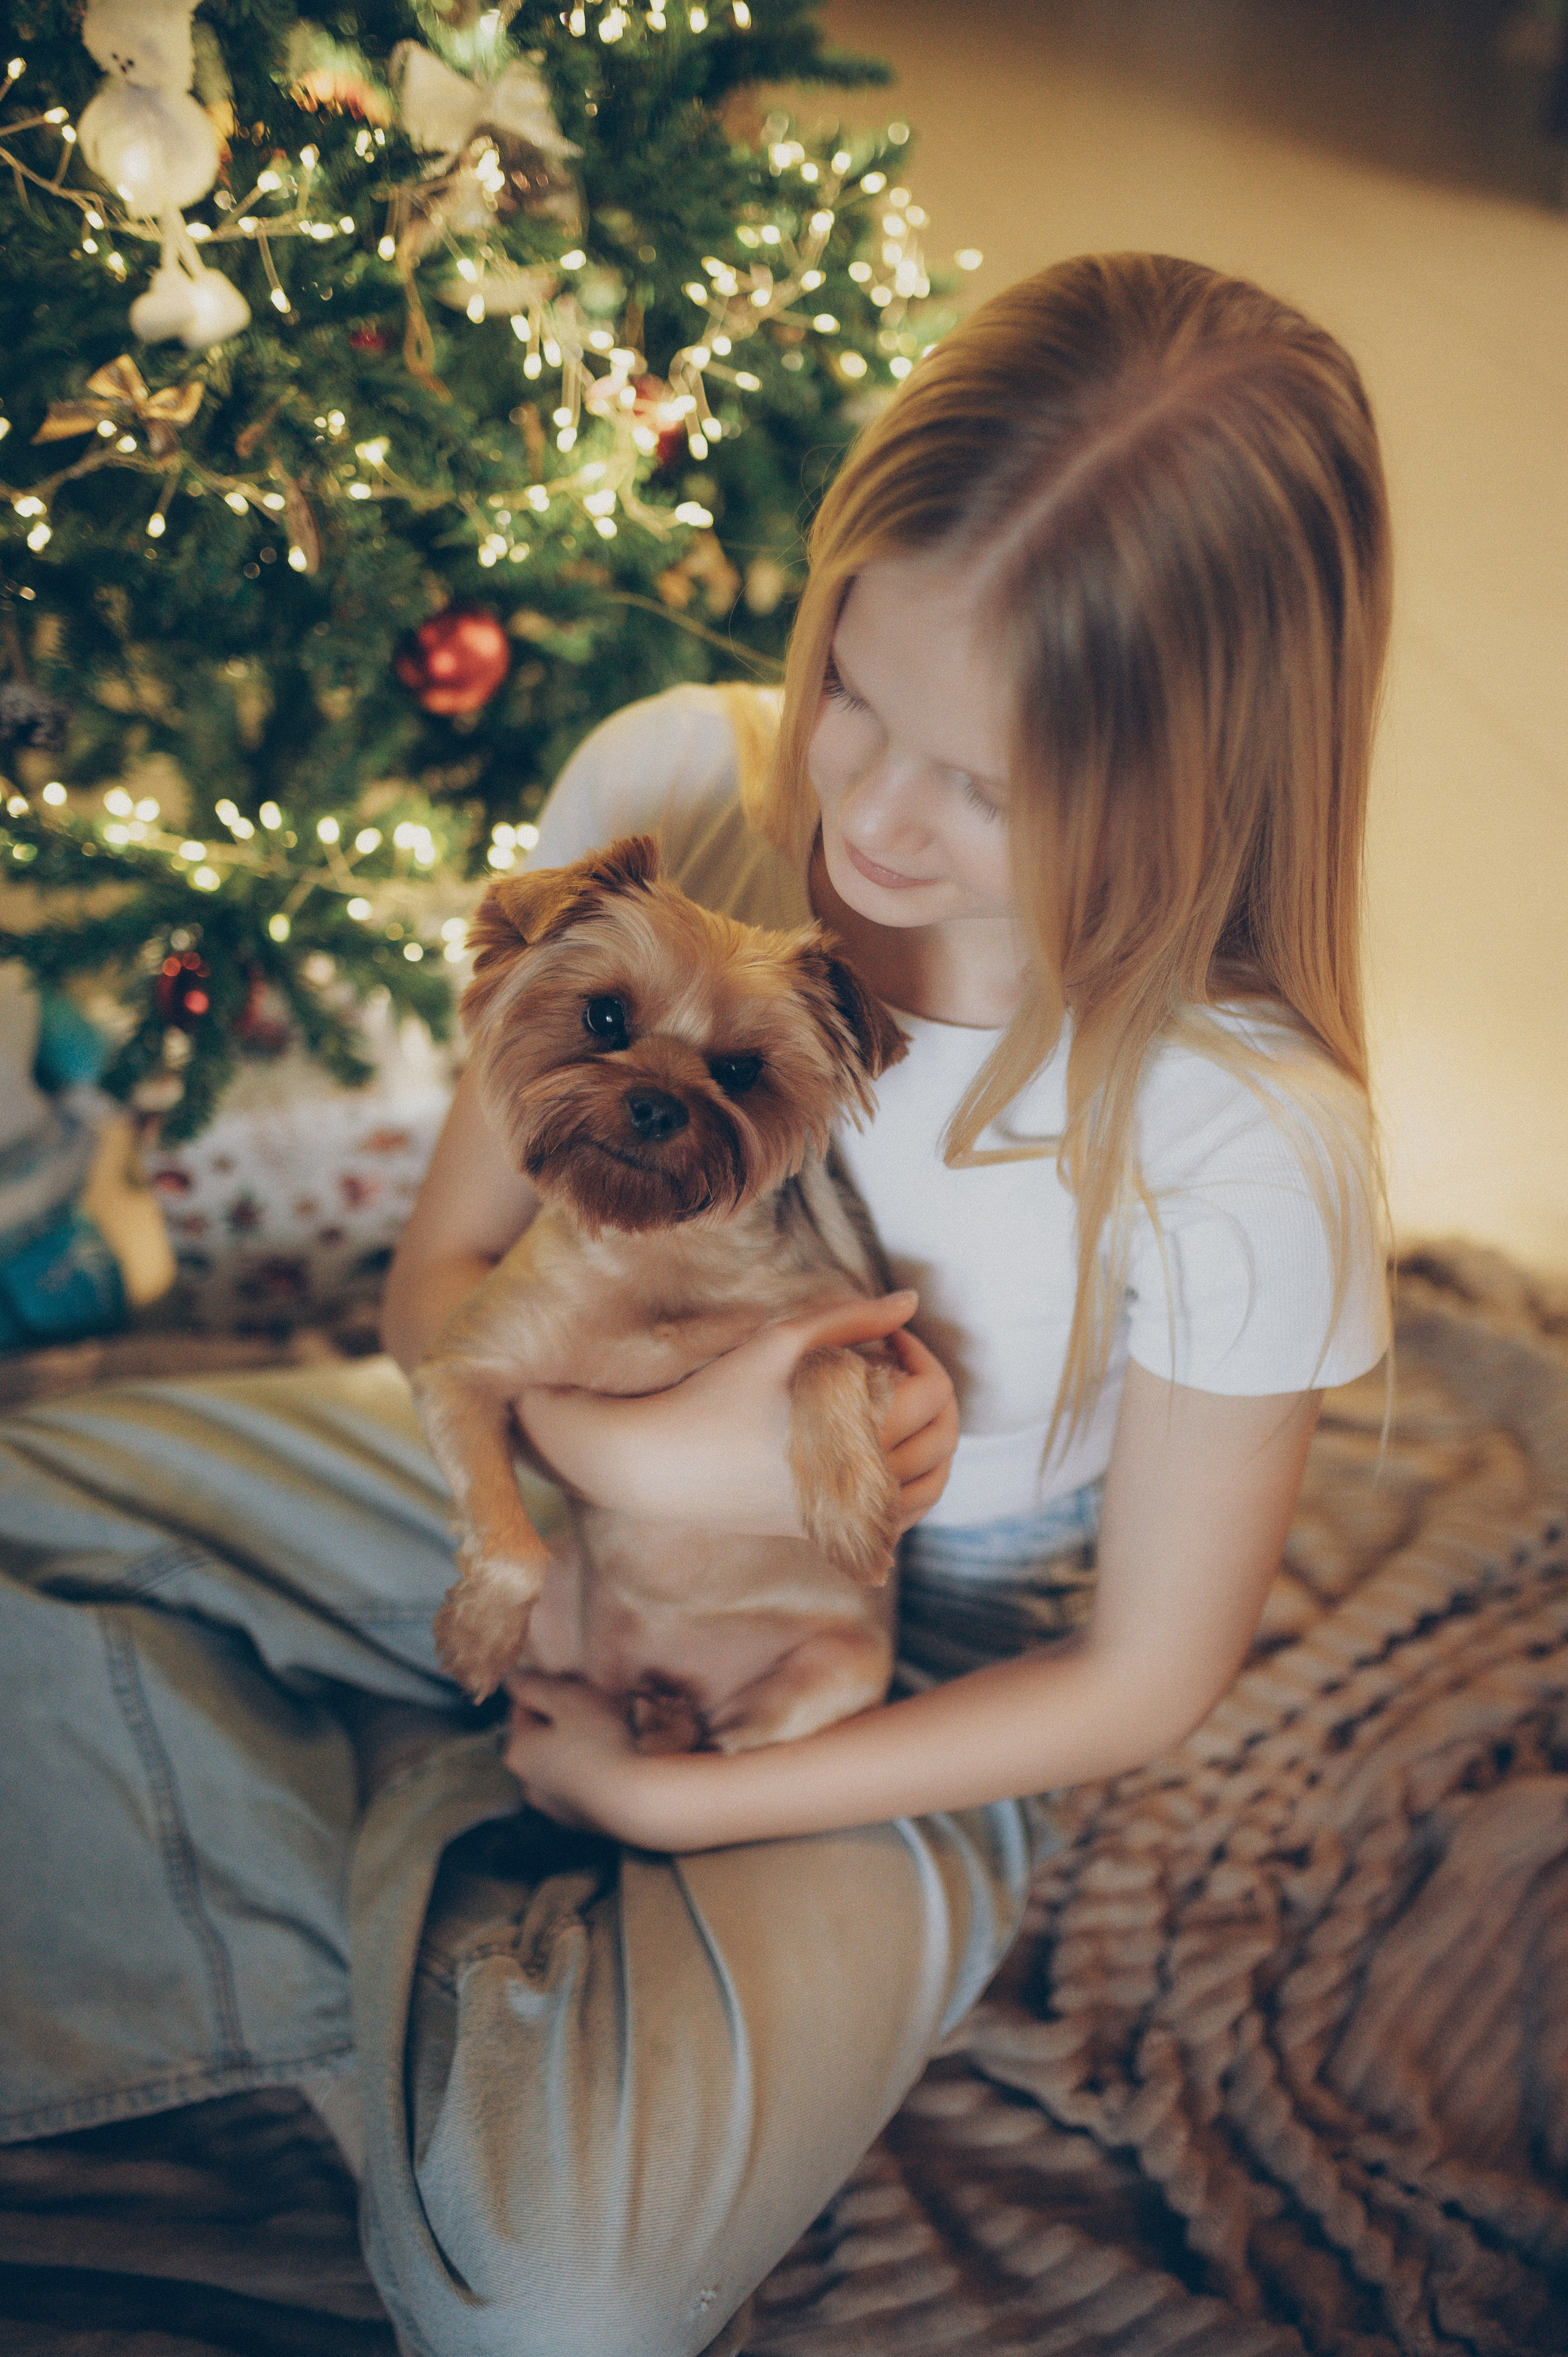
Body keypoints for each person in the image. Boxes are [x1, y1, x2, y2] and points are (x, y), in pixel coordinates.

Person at [0, 254, 1394, 2357]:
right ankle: (443, 1905)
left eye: (995, 785)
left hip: (903, 1661)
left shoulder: (1237, 1125)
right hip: (538, 1471)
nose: (867, 815)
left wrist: (681, 1802)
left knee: (567, 2301)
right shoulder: (679, 780)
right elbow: (440, 1281)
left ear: (1198, 780)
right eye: (854, 683)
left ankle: (422, 1839)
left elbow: (1139, 1684)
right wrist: (626, 1456)